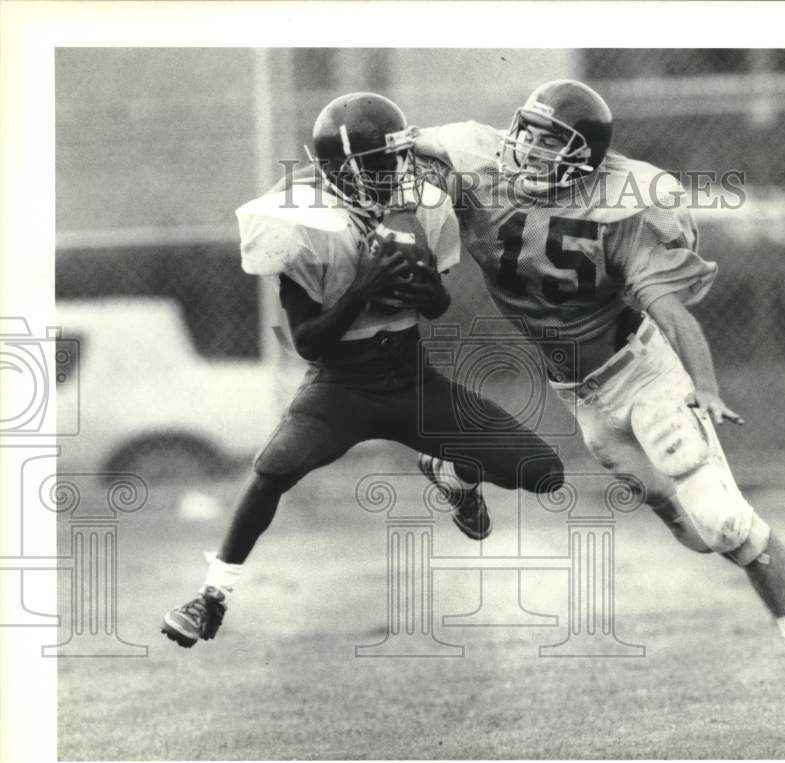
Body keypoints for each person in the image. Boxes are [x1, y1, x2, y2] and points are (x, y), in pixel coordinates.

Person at [413, 79, 785, 744]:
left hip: (644, 375)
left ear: (585, 157)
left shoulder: (624, 205)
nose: (530, 149)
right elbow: (409, 145)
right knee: (703, 537)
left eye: (551, 142)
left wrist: (705, 384)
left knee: (723, 520)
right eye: (529, 132)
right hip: (583, 400)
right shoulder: (481, 164)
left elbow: (669, 308)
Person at [160, 92, 563, 649]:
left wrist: (424, 290)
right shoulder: (298, 219)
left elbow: (437, 306)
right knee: (274, 469)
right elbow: (308, 341)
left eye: (398, 157)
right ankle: (209, 597)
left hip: (414, 379)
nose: (394, 171)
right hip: (342, 386)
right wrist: (362, 289)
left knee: (544, 472)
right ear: (338, 169)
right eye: (378, 162)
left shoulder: (419, 202)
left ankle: (453, 475)